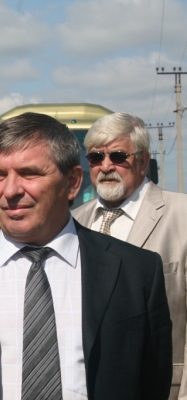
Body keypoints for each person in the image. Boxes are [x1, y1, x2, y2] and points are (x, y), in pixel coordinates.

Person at [0, 112, 172, 399]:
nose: (10, 191)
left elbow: (152, 380)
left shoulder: (135, 270)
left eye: (29, 173)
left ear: (72, 182)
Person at [72, 111, 187, 399]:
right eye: (95, 157)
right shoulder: (73, 222)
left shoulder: (182, 216)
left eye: (118, 156)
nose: (106, 166)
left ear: (143, 161)